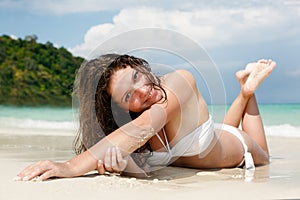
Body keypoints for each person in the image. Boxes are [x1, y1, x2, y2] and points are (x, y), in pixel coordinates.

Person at [15, 54, 275, 181]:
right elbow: (144, 170)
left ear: (141, 66)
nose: (143, 91)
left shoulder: (180, 81)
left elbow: (143, 126)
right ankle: (244, 88)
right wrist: (126, 167)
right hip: (211, 139)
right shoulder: (131, 124)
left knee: (264, 155)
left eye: (137, 76)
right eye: (129, 97)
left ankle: (247, 91)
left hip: (239, 147)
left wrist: (69, 167)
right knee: (218, 134)